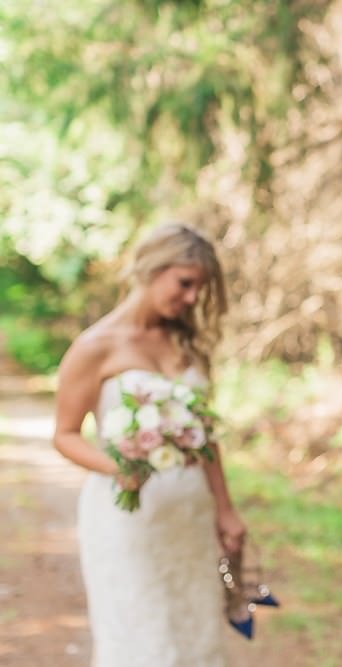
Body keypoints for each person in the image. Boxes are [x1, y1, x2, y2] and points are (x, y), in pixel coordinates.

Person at [54, 222, 246, 667]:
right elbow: (64, 435)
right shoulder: (94, 347)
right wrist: (116, 466)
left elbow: (206, 437)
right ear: (151, 268)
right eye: (185, 283)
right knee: (142, 635)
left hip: (189, 514)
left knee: (194, 631)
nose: (192, 298)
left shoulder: (185, 342)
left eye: (199, 289)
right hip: (127, 517)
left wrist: (225, 508)